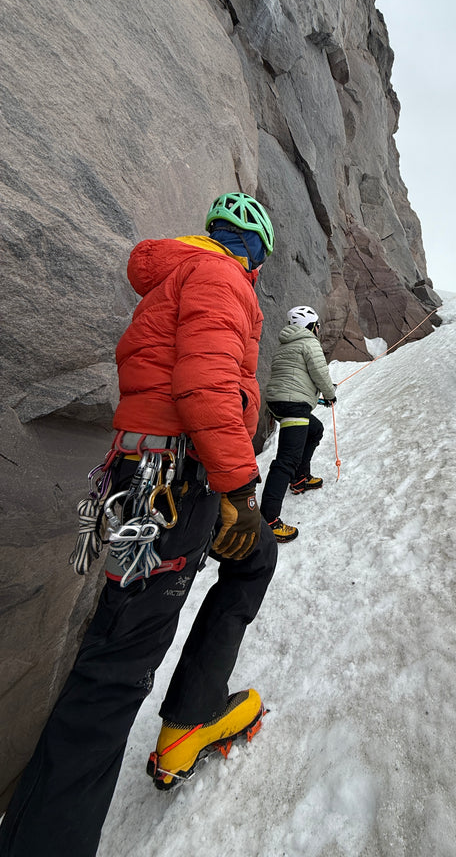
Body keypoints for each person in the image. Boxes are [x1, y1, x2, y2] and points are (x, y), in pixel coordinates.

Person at [0, 192, 279, 857]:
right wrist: (240, 490)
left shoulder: (179, 274)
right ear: (255, 254)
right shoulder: (220, 276)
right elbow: (206, 384)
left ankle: (193, 714)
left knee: (253, 558)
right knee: (117, 663)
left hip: (157, 477)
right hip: (176, 482)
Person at [259, 305, 336, 543]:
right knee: (286, 460)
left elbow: (293, 378)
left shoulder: (285, 345)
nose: (318, 330)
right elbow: (320, 373)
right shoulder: (309, 342)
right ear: (310, 326)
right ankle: (268, 521)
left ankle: (300, 478)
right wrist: (330, 394)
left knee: (315, 430)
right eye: (317, 326)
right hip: (294, 406)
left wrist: (315, 397)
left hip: (279, 404)